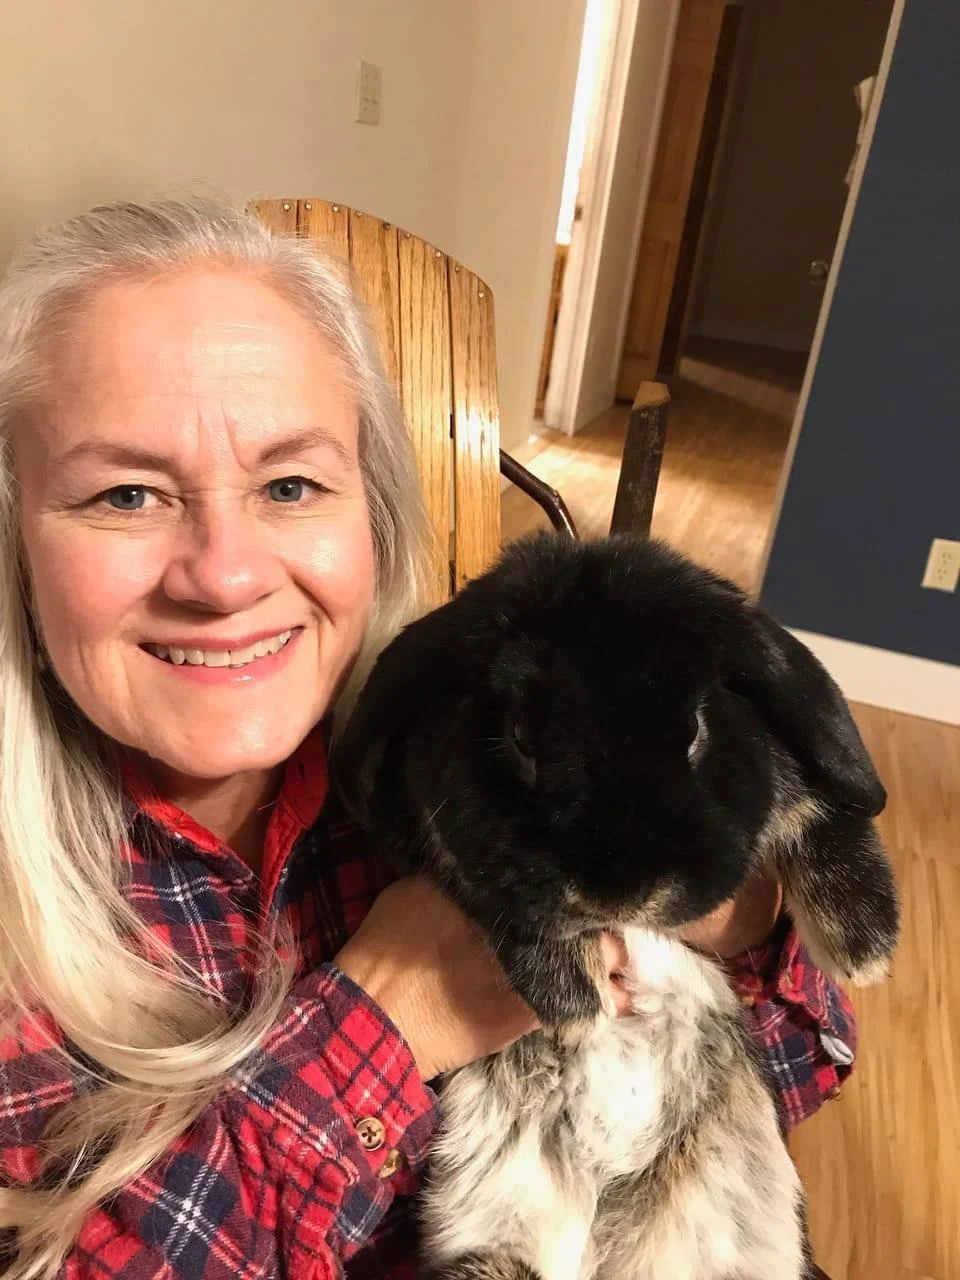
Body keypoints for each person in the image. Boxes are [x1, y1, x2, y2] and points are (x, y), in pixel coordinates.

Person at [0, 195, 856, 1279]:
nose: (224, 574)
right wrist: (389, 1022)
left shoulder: (463, 754)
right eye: (126, 492)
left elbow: (801, 1056)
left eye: (291, 483)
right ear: (16, 538)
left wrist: (718, 903)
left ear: (377, 516)